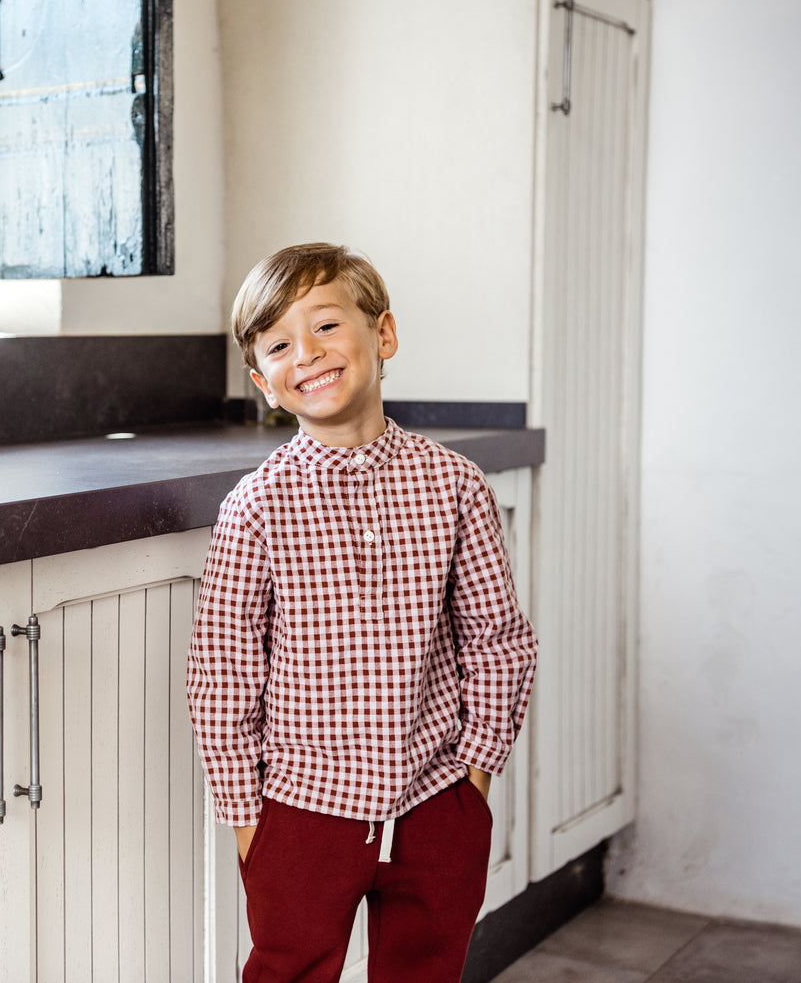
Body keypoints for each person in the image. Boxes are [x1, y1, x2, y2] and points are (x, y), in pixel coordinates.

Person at [186, 243, 538, 983]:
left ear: (383, 335)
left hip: (436, 796)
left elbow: (496, 639)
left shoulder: (455, 485)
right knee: (287, 972)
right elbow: (222, 673)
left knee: (424, 972)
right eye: (279, 345)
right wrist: (248, 820)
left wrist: (475, 777)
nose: (307, 353)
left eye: (325, 326)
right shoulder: (256, 507)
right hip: (302, 806)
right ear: (265, 384)